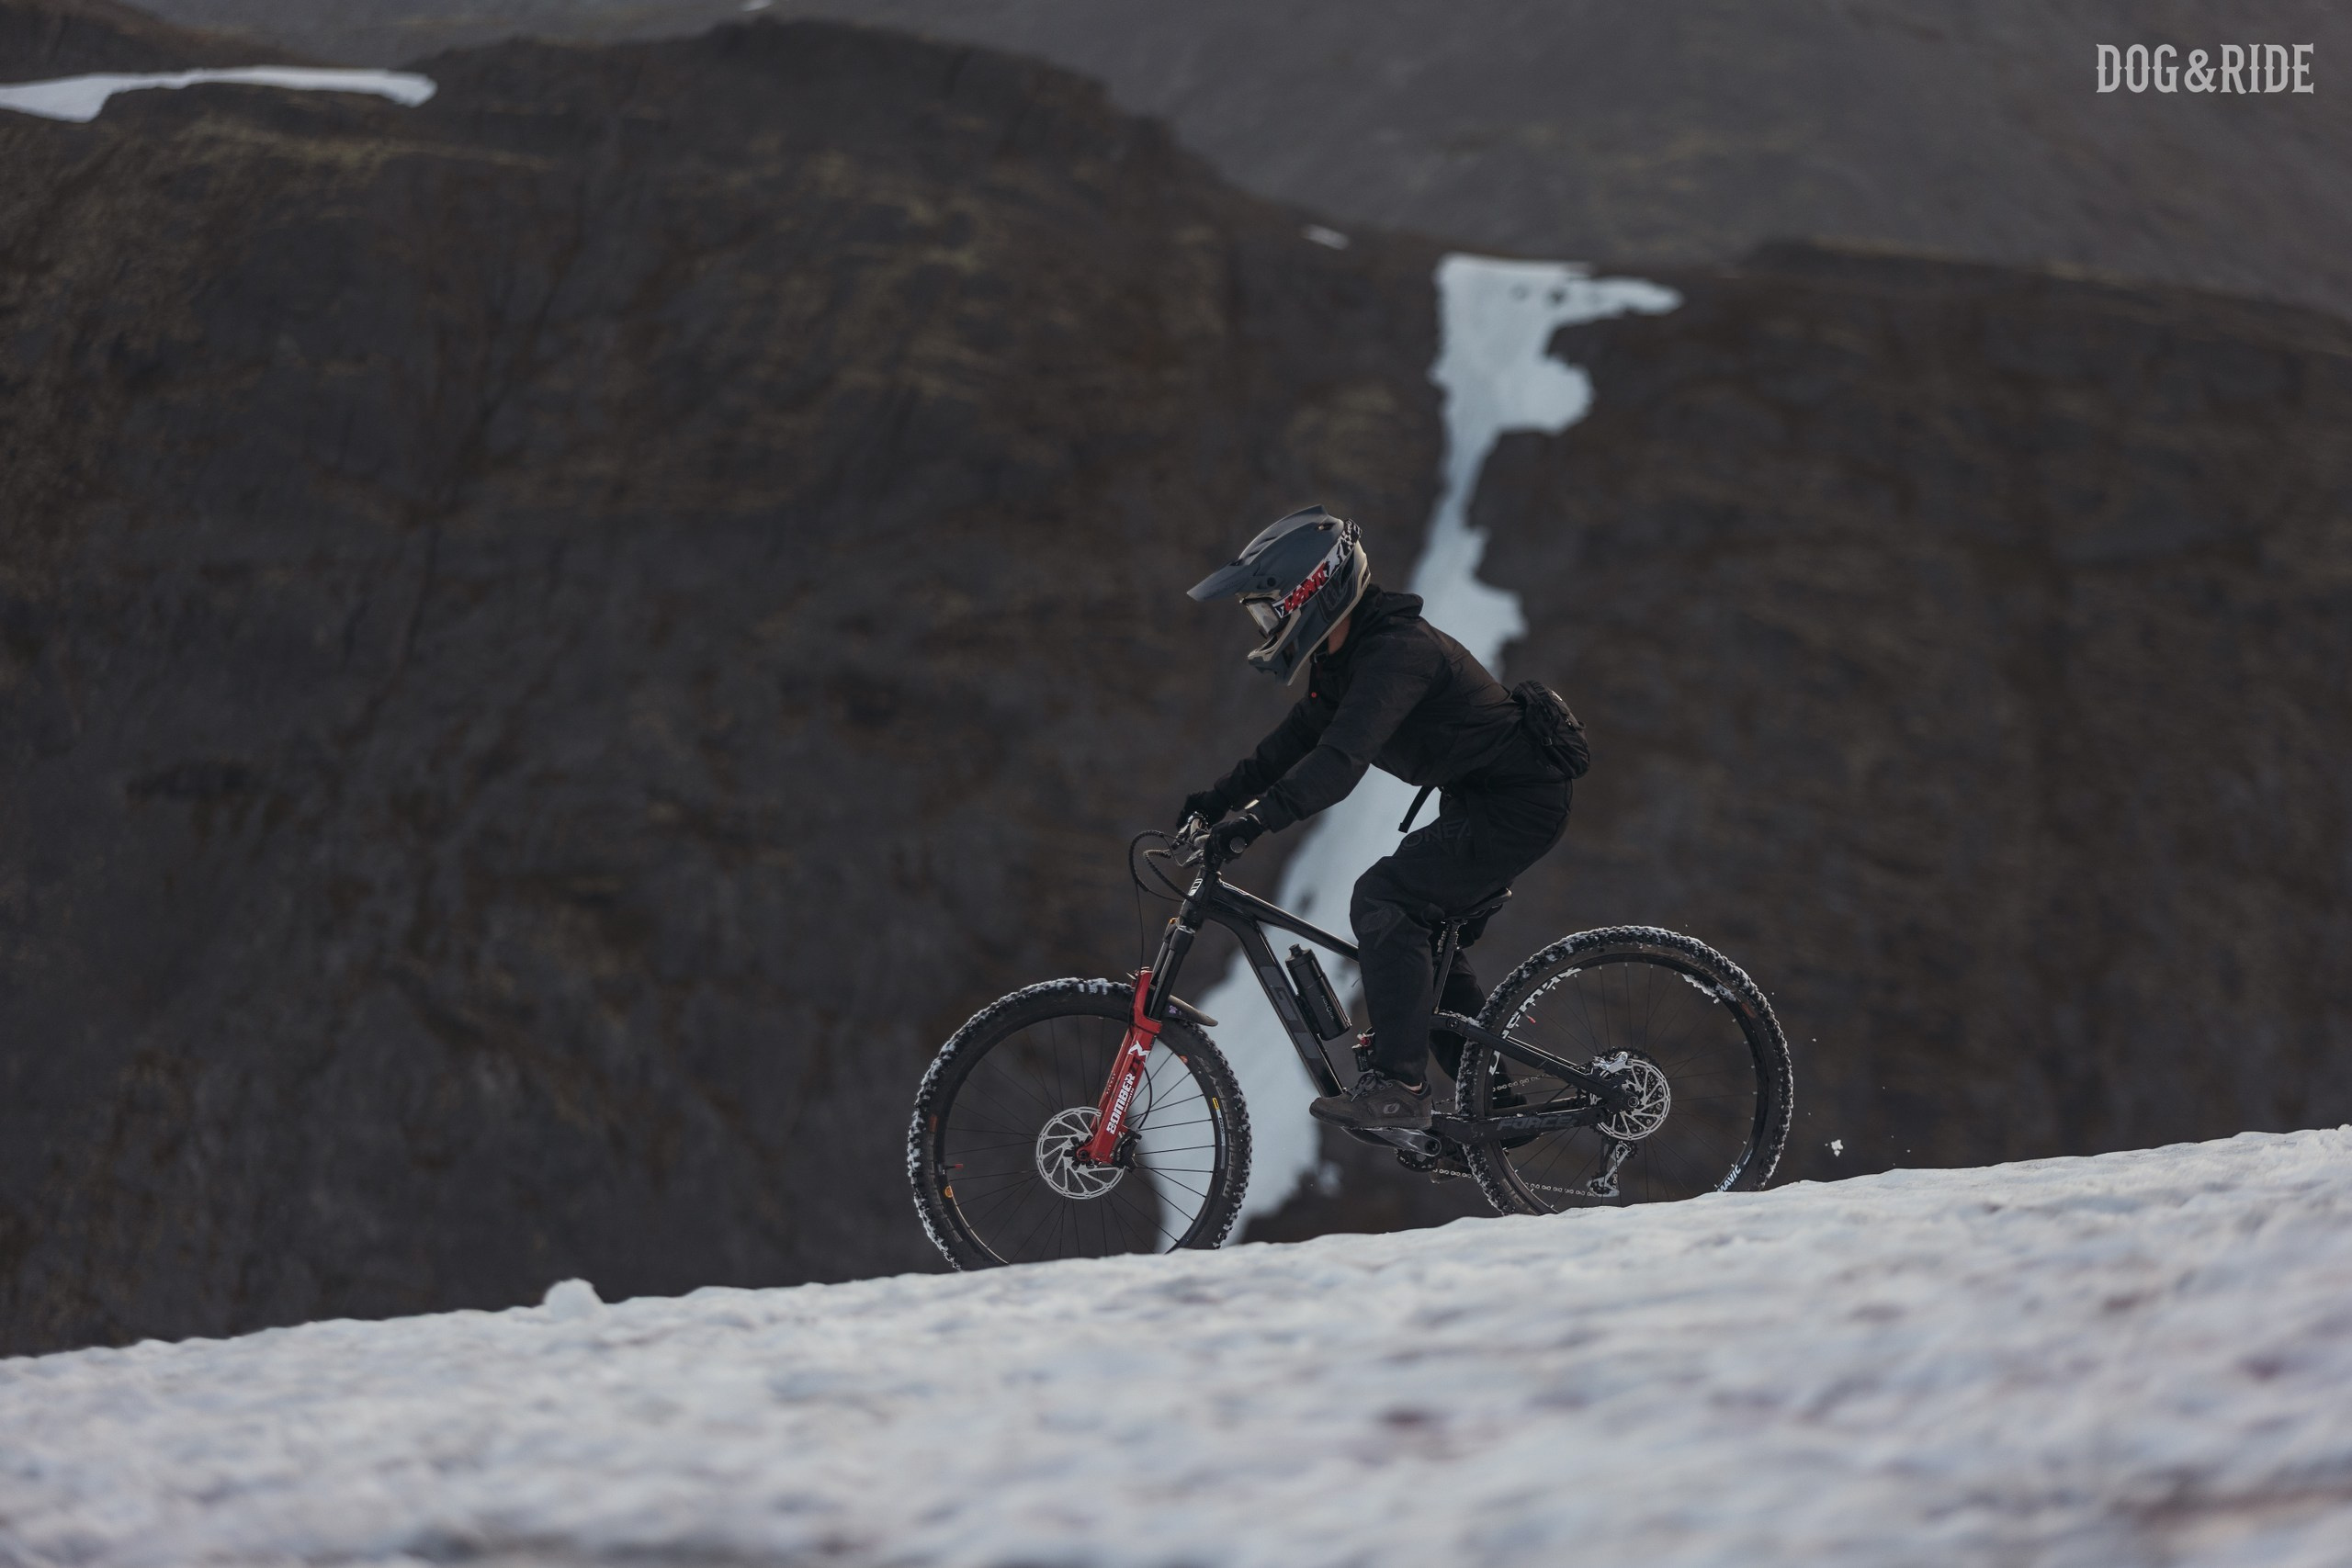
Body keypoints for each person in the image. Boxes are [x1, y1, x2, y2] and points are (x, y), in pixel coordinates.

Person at [1180, 505, 1576, 1132]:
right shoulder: (1344, 660)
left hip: (1519, 803)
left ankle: (1401, 1085)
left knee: (1384, 899)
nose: (1263, 624)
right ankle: (1495, 1110)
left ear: (1312, 590)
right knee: (1424, 938)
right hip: (1480, 798)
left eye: (1266, 608)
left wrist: (1254, 822)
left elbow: (1338, 763)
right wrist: (1214, 800)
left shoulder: (1396, 655)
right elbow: (1289, 746)